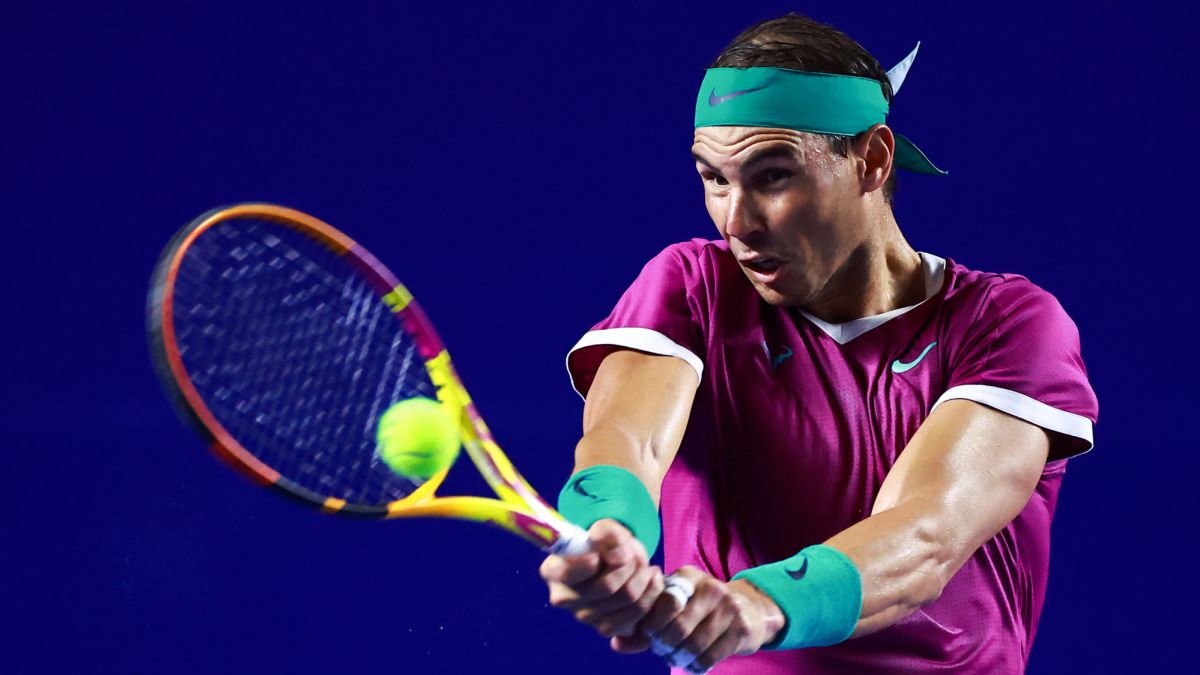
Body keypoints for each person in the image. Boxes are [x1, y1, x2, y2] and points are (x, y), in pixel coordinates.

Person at [539, 12, 1097, 674]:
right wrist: (613, 531)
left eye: (772, 176)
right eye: (713, 177)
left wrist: (756, 605)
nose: (735, 221)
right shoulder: (692, 286)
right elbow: (626, 443)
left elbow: (926, 534)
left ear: (872, 159)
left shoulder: (1008, 323)